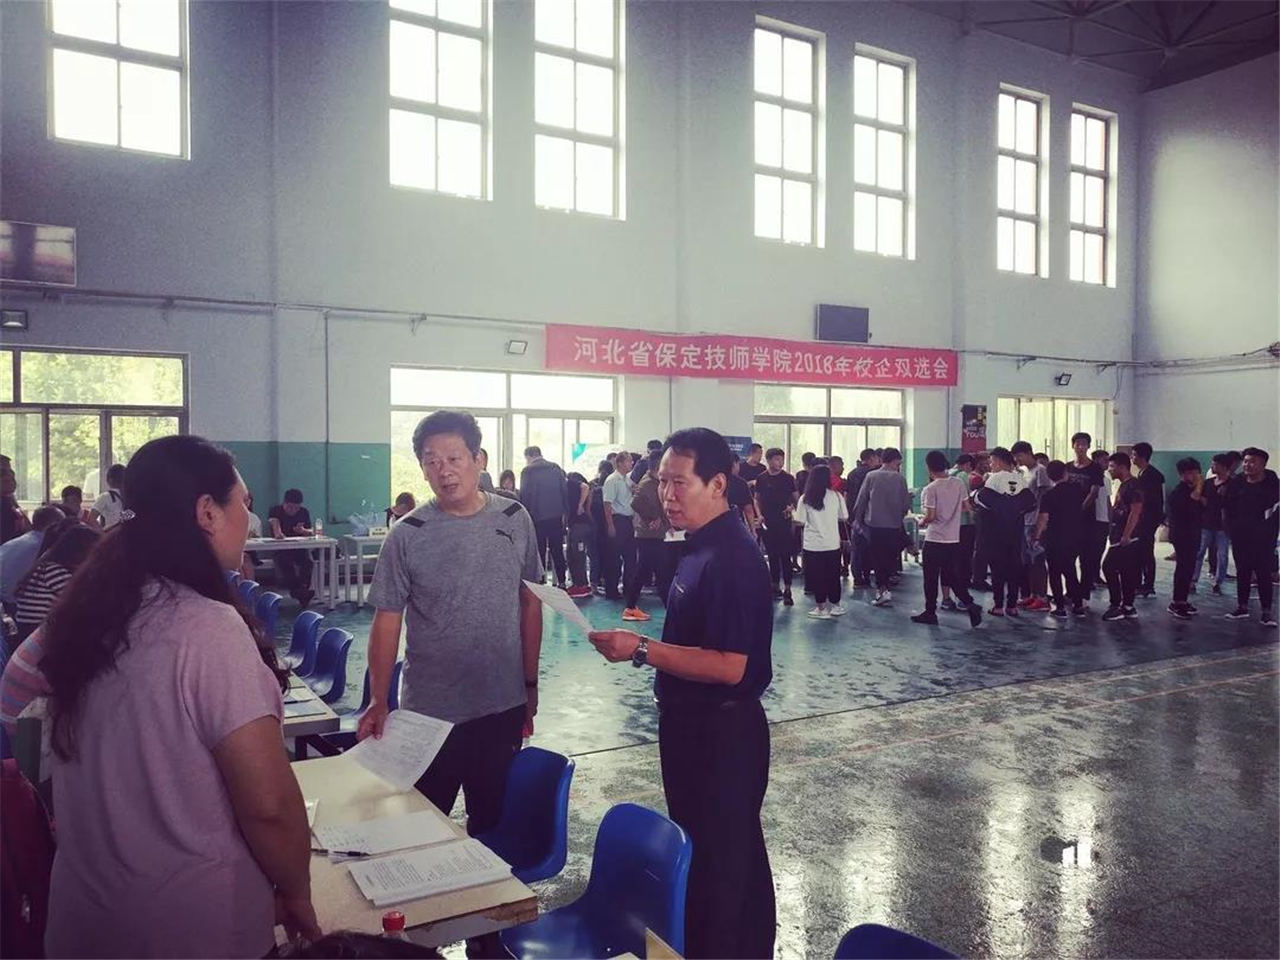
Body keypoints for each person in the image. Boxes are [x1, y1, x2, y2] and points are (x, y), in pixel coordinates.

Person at [31, 435, 318, 957]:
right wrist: (297, 891)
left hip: (85, 923)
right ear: (207, 512)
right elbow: (268, 807)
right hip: (187, 930)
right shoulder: (207, 628)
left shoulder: (93, 612)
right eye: (244, 503)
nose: (249, 520)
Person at [587, 428, 775, 960]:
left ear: (717, 484)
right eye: (661, 482)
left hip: (723, 735)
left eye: (678, 483)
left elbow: (731, 666)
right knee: (711, 854)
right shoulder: (698, 546)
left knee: (724, 866)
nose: (666, 495)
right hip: (690, 728)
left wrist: (641, 649)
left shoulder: (733, 558)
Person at [360, 411, 544, 838]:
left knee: (491, 825)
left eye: (454, 458)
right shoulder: (407, 534)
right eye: (432, 461)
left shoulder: (514, 518)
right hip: (429, 712)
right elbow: (387, 620)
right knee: (421, 827)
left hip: (500, 703)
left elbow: (530, 603)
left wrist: (530, 684)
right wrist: (378, 699)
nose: (444, 471)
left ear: (479, 459)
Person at [912, 451, 982, 627]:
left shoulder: (931, 489)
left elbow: (930, 516)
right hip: (953, 539)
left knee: (930, 578)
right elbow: (967, 507)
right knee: (951, 576)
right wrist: (952, 511)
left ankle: (930, 612)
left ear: (928, 467)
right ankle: (970, 604)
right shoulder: (958, 483)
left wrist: (920, 521)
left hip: (935, 540)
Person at [14, 520, 101, 642]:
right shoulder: (54, 571)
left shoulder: (46, 566)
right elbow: (84, 601)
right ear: (81, 553)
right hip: (39, 635)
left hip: (32, 631)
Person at [1223, 447, 1278, 626]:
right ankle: (1242, 607)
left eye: (1252, 461)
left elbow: (1275, 511)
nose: (1247, 465)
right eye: (1245, 461)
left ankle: (1266, 613)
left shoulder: (1273, 485)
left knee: (1263, 573)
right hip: (1241, 536)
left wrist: (1271, 532)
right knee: (1243, 571)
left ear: (1263, 465)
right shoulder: (1237, 483)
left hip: (1264, 538)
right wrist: (1231, 529)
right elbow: (1227, 507)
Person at [850, 448, 911, 607]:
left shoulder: (871, 476)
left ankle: (882, 590)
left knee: (877, 558)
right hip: (894, 525)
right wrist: (899, 516)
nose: (898, 466)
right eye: (898, 463)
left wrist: (858, 520)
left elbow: (862, 500)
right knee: (889, 558)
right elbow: (905, 505)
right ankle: (885, 588)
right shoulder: (900, 479)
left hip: (874, 525)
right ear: (893, 461)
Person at [974, 447, 1030, 617]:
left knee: (997, 569)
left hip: (996, 532)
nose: (990, 465)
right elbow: (1030, 502)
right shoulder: (1020, 479)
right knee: (1014, 568)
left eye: (991, 462)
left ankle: (998, 606)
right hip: (1016, 532)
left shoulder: (994, 479)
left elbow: (981, 499)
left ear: (998, 461)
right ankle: (1012, 606)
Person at [792, 465, 847, 619]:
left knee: (817, 577)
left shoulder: (805, 498)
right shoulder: (836, 496)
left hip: (813, 545)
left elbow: (800, 521)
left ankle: (821, 608)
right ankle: (836, 606)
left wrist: (792, 513)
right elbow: (844, 516)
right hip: (832, 543)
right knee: (833, 575)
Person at [623, 451, 672, 621]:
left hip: (653, 534)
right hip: (648, 535)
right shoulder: (648, 483)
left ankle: (631, 606)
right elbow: (635, 503)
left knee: (648, 572)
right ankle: (670, 610)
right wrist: (652, 517)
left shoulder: (653, 482)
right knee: (658, 573)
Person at [1034, 461, 1087, 618]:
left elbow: (1043, 518)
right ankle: (1078, 606)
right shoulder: (1077, 490)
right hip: (1075, 536)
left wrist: (1036, 536)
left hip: (1054, 538)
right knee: (1070, 571)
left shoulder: (1049, 495)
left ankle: (1060, 608)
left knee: (1055, 572)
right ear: (1065, 472)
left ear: (1049, 476)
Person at [1101, 452, 1144, 621]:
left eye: (1112, 466)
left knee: (1108, 566)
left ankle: (1116, 605)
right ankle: (1128, 606)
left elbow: (1136, 511)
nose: (1109, 470)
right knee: (1126, 571)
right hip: (1119, 535)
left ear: (1122, 467)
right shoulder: (1124, 485)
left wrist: (1126, 535)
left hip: (1126, 538)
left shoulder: (1133, 485)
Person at [1011, 441, 1053, 612]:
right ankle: (1033, 595)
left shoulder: (1041, 471)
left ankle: (1042, 598)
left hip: (1036, 522)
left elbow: (1045, 496)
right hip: (1026, 521)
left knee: (1038, 560)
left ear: (1029, 453)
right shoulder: (1026, 472)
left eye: (1019, 456)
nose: (1017, 460)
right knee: (1029, 561)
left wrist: (1040, 523)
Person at [1064, 432, 1107, 602]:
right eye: (1077, 444)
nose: (1080, 447)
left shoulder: (1095, 468)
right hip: (1068, 521)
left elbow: (1094, 492)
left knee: (1086, 559)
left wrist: (1079, 510)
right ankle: (1071, 591)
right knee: (1068, 557)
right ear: (1073, 446)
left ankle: (1083, 593)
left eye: (1084, 444)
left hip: (1087, 520)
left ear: (1088, 446)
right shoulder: (1068, 467)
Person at [520, 446, 569, 590]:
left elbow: (524, 495)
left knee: (539, 551)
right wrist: (565, 514)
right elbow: (564, 491)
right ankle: (562, 581)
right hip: (556, 516)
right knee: (557, 550)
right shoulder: (555, 468)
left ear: (529, 456)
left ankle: (540, 582)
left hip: (536, 517)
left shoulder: (527, 471)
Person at [0, 505, 63, 616]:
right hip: (19, 606)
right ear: (54, 525)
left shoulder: (13, 543)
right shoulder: (43, 546)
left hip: (4, 603)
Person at [1165, 458, 1206, 621]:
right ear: (1181, 475)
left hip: (1194, 533)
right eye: (1189, 473)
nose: (1193, 476)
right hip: (1181, 534)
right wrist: (1200, 484)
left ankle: (1182, 600)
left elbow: (1203, 504)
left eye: (1196, 473)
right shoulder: (1179, 492)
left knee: (1189, 567)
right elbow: (1195, 499)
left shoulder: (1193, 489)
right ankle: (1177, 602)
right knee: (1183, 567)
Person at [755, 447, 796, 606]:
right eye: (777, 459)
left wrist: (791, 508)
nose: (780, 462)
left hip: (784, 522)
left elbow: (796, 499)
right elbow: (757, 499)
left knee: (785, 556)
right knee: (772, 555)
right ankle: (775, 586)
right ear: (769, 460)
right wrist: (759, 514)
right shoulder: (761, 478)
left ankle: (788, 589)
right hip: (768, 522)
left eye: (782, 459)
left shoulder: (788, 478)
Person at [940, 453, 977, 611]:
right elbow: (965, 502)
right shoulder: (962, 476)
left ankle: (946, 598)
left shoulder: (944, 476)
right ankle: (962, 598)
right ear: (967, 464)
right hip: (963, 525)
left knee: (947, 563)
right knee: (963, 563)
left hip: (946, 527)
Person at [268, 488, 316, 608]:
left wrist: (303, 531)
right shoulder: (275, 510)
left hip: (299, 548)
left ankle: (301, 589)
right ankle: (300, 592)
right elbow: (275, 524)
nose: (293, 510)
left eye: (296, 508)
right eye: (290, 507)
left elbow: (311, 532)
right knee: (284, 562)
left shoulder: (304, 512)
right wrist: (278, 533)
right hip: (281, 549)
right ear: (284, 503)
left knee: (307, 563)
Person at [1193, 454, 1233, 595]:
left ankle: (1218, 582)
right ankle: (1193, 580)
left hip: (1223, 526)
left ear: (1224, 467)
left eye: (1215, 464)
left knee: (1222, 555)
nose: (1212, 466)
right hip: (1206, 524)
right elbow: (1202, 500)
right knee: (1199, 552)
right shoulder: (1208, 483)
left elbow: (1234, 504)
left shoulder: (1232, 484)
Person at [1131, 442, 1165, 598]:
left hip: (1148, 519)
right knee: (1141, 551)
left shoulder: (1152, 475)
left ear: (1142, 457)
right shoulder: (1142, 473)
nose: (1132, 458)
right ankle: (1140, 583)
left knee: (1146, 552)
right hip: (1143, 519)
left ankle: (1148, 585)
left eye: (1134, 455)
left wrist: (1151, 519)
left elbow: (1153, 501)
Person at [602, 452, 636, 601]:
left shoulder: (627, 479)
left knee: (631, 557)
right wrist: (610, 525)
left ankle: (629, 588)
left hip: (628, 521)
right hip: (617, 520)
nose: (632, 463)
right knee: (614, 558)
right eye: (629, 461)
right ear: (620, 463)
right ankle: (611, 590)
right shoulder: (612, 480)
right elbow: (607, 504)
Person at [845, 449, 881, 588]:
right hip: (868, 516)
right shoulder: (873, 474)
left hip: (854, 516)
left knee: (856, 549)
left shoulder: (852, 473)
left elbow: (848, 495)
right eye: (876, 458)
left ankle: (857, 579)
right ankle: (866, 575)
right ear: (871, 458)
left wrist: (850, 515)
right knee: (868, 548)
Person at [564, 472, 594, 599]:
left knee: (578, 554)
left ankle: (582, 585)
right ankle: (577, 583)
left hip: (580, 526)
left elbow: (585, 487)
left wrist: (580, 505)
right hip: (573, 525)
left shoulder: (569, 484)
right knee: (571, 554)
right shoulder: (564, 489)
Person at [588, 459, 613, 593]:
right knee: (607, 553)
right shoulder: (611, 486)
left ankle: (594, 582)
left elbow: (588, 507)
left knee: (594, 555)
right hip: (608, 524)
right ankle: (605, 579)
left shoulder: (592, 486)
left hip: (594, 525)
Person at [1, 454, 32, 545]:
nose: (9, 476)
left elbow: (26, 526)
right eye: (2, 472)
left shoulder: (9, 499)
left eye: (10, 472)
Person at [89, 463, 127, 530]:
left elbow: (91, 519)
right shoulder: (131, 497)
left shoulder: (105, 497)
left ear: (109, 480)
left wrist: (103, 534)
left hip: (112, 533)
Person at [726, 457, 759, 531]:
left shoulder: (713, 481)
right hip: (736, 526)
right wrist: (753, 531)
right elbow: (748, 510)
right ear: (734, 464)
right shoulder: (740, 483)